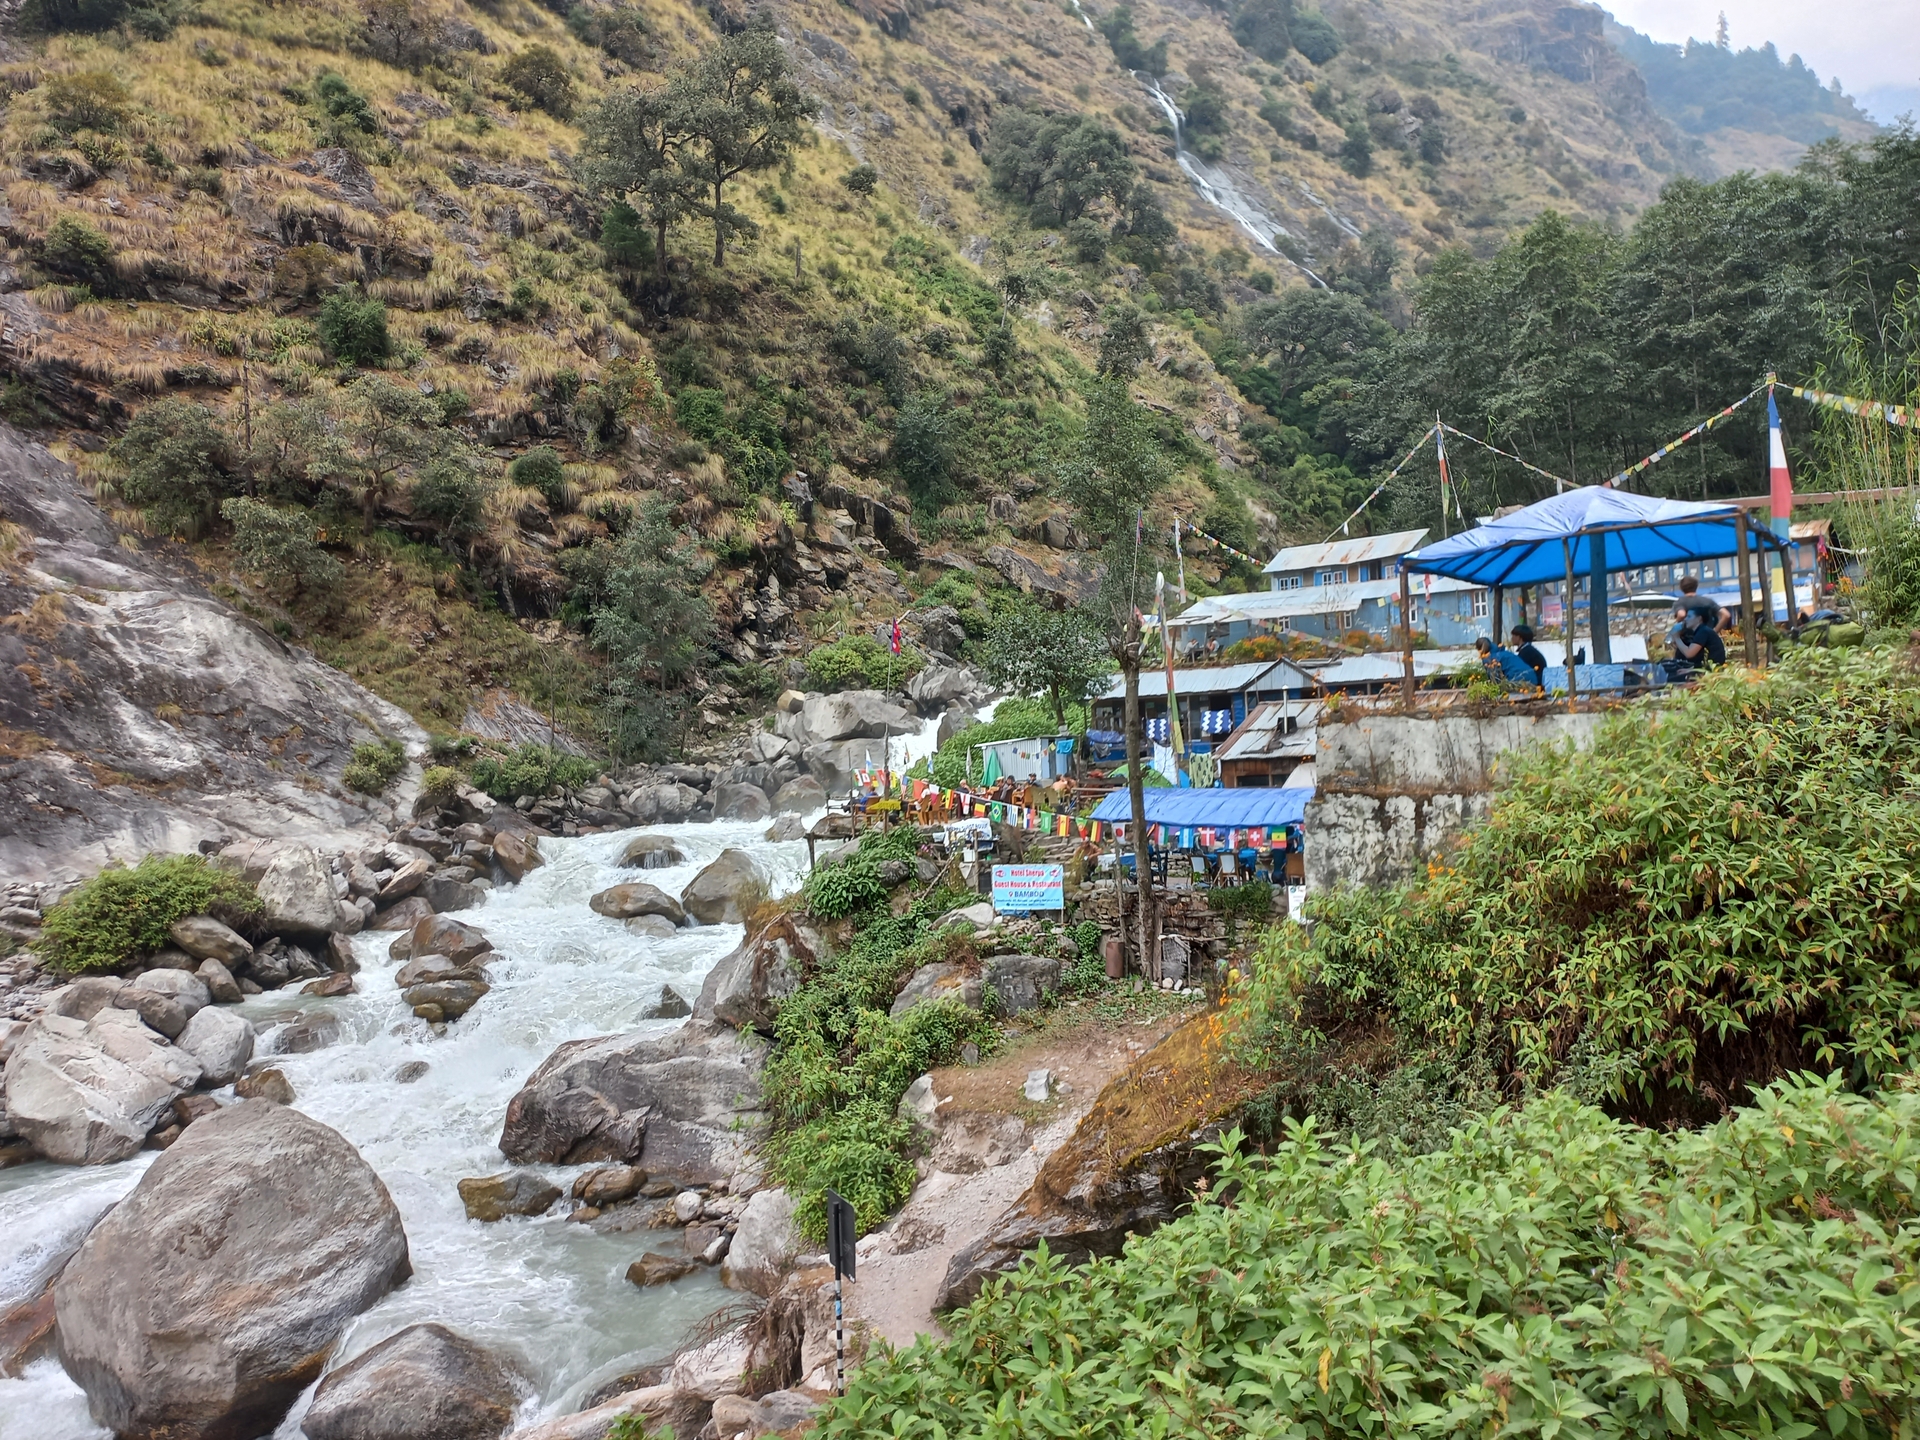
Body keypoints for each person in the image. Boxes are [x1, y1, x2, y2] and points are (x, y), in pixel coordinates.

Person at [1668, 607, 1725, 678]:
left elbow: (1689, 653)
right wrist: (1691, 670)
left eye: (1689, 616)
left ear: (1699, 618)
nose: (1685, 619)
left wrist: (1677, 637)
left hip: (1713, 672)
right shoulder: (1700, 631)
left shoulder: (1703, 632)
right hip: (1707, 669)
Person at [1509, 624, 1548, 688]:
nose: (1512, 638)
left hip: (1536, 685)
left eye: (1513, 635)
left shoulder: (1526, 652)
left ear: (1519, 637)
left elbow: (1519, 670)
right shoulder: (1528, 650)